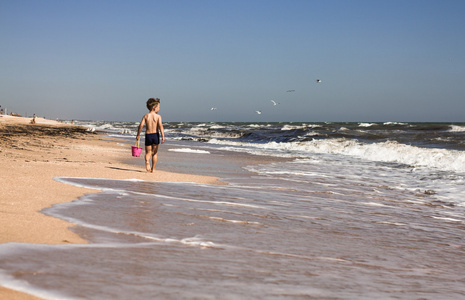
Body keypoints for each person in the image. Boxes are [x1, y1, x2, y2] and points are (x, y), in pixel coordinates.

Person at [136, 98, 165, 172]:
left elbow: (141, 125)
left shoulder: (146, 116)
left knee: (148, 152)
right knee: (154, 153)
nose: (159, 108)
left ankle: (147, 163)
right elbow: (161, 126)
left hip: (148, 135)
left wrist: (138, 135)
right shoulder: (158, 116)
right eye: (159, 107)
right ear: (154, 107)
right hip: (155, 135)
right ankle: (153, 169)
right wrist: (163, 136)